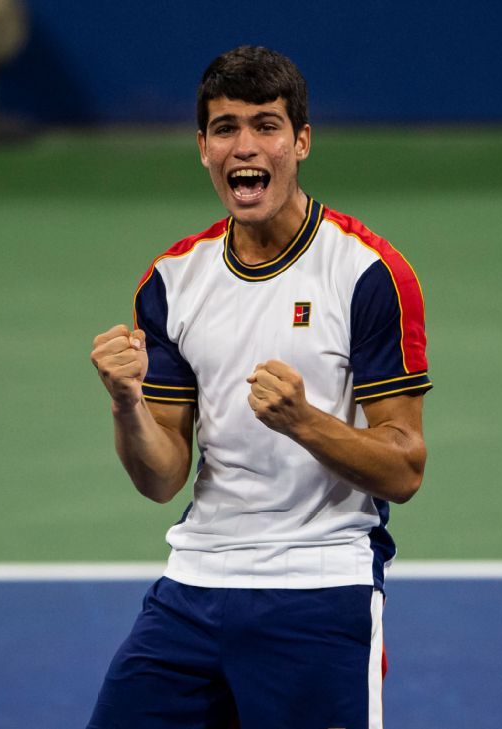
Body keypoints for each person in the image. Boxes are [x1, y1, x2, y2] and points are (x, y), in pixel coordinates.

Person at [87, 45, 431, 729]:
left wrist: (304, 419)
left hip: (319, 584)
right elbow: (162, 478)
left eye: (267, 126)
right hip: (195, 588)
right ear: (203, 147)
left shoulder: (368, 274)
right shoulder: (170, 282)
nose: (246, 146)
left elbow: (403, 467)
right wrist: (126, 404)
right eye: (225, 128)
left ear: (301, 141)